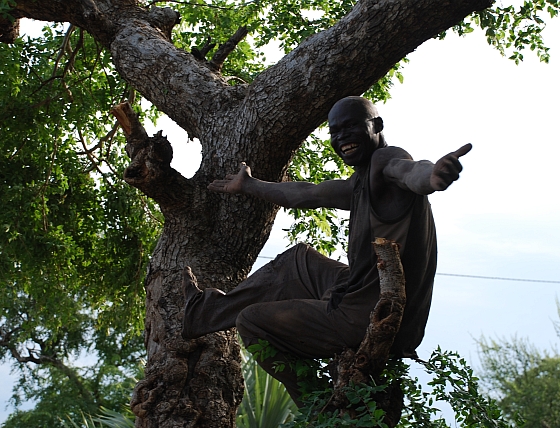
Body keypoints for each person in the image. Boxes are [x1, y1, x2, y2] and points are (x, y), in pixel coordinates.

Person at [182, 96, 471, 402]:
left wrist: (433, 176)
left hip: (371, 317)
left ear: (377, 126)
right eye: (335, 132)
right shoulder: (359, 184)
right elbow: (306, 193)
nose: (342, 137)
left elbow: (410, 171)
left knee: (251, 322)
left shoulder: (385, 162)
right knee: (299, 259)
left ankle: (315, 403)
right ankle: (205, 312)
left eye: (351, 127)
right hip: (365, 297)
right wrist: (249, 185)